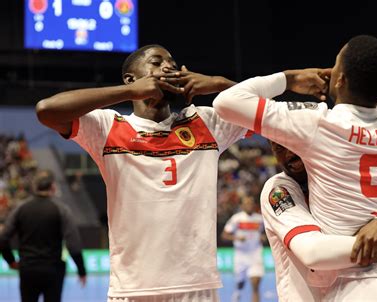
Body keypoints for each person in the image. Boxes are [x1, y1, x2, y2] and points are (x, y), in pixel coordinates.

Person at [213, 35, 377, 300]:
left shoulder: (318, 125)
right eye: (276, 146)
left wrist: (288, 78)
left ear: (341, 79)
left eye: (336, 67)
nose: (286, 151)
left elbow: (226, 102)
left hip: (362, 283)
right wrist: (372, 84)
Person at [36, 44, 248, 301]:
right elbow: (46, 110)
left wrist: (219, 84)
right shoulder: (107, 127)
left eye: (172, 62)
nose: (168, 67)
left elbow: (269, 114)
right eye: (157, 62)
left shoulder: (206, 122)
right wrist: (128, 92)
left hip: (196, 287)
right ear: (131, 78)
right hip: (132, 289)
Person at [263, 141, 377, 301]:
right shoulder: (279, 189)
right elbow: (313, 252)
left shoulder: (342, 181)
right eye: (279, 148)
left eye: (293, 142)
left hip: (355, 290)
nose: (289, 154)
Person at [0, 170, 87, 302]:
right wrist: (81, 270)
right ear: (52, 187)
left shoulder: (21, 208)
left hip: (28, 268)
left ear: (35, 188)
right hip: (53, 269)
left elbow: (3, 238)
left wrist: (11, 261)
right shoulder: (61, 209)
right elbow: (73, 243)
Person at [221, 196, 266, 302]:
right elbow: (224, 235)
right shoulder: (236, 219)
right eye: (246, 203)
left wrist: (263, 237)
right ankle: (238, 291)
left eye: (251, 203)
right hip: (240, 255)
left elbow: (266, 233)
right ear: (242, 206)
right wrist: (236, 237)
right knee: (240, 282)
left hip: (255, 254)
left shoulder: (260, 219)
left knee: (255, 284)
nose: (249, 205)